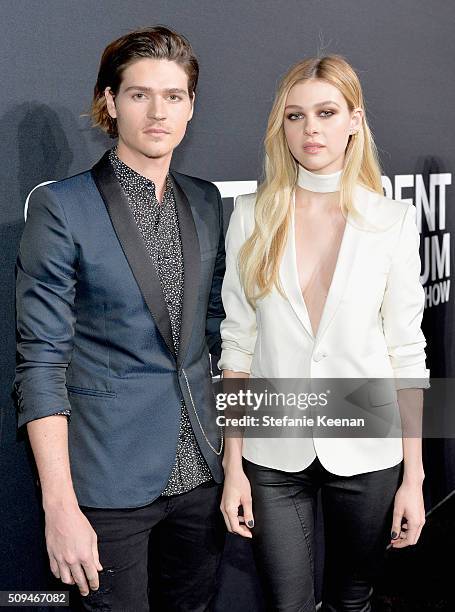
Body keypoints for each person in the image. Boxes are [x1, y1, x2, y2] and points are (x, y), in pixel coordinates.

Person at [15, 26, 226, 611]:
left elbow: (216, 338)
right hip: (108, 484)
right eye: (139, 94)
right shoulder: (64, 207)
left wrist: (232, 461)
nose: (158, 111)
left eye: (174, 95)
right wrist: (60, 507)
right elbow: (40, 362)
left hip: (201, 473)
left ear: (191, 107)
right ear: (110, 102)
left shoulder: (206, 200)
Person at [219, 55, 429, 611]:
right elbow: (236, 349)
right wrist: (232, 464)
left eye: (326, 111)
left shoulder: (393, 222)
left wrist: (415, 477)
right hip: (271, 448)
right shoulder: (250, 215)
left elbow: (406, 354)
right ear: (280, 126)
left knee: (350, 602)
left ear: (355, 120)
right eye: (294, 115)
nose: (310, 128)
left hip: (367, 443)